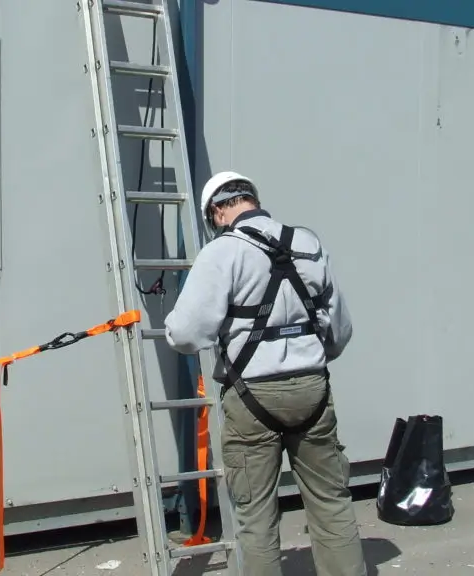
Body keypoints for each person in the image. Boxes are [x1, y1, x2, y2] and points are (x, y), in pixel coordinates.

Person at [164, 171, 366, 576]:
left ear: (219, 211)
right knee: (330, 499)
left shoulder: (222, 253)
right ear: (252, 199)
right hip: (312, 390)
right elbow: (339, 329)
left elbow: (185, 335)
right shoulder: (307, 243)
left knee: (255, 514)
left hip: (251, 397)